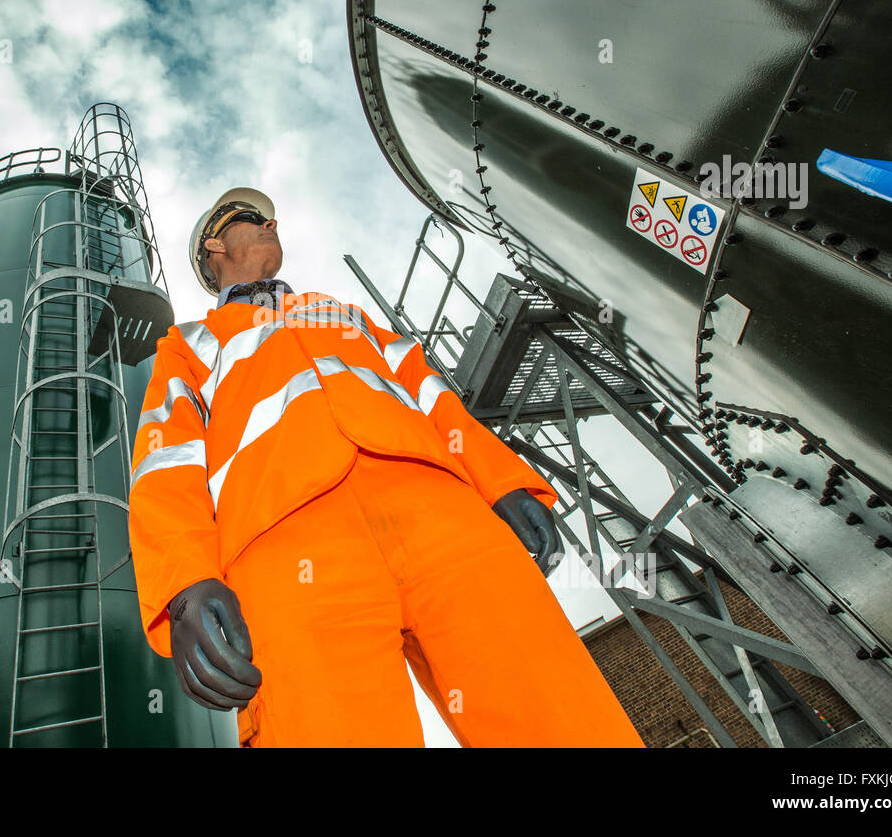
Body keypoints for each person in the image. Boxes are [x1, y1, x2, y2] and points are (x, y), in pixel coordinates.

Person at [126, 187, 644, 747]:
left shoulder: (343, 315)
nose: (273, 223)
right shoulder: (190, 344)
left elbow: (432, 396)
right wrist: (185, 583)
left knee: (554, 707)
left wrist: (503, 479)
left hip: (439, 511)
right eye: (254, 217)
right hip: (286, 542)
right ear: (214, 244)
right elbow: (165, 461)